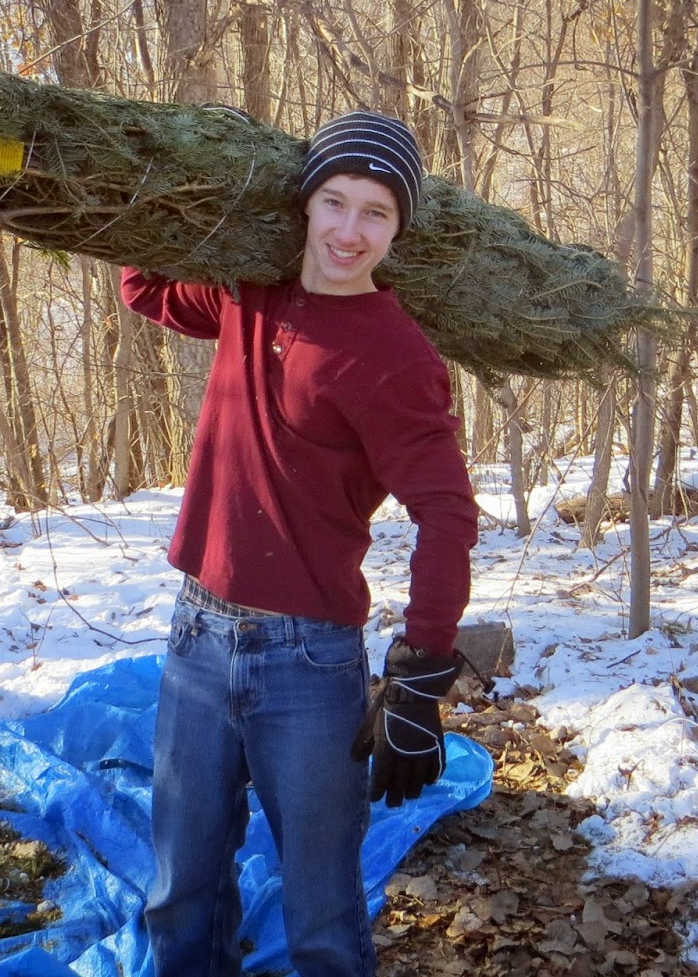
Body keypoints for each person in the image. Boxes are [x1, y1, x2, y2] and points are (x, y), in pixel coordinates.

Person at [121, 110, 481, 977]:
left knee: (320, 915)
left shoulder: (394, 358)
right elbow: (146, 289)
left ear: (398, 231)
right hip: (197, 640)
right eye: (334, 202)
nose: (349, 232)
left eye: (375, 214)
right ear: (304, 205)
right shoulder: (249, 294)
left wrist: (420, 678)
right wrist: (145, 195)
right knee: (179, 897)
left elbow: (448, 513)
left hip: (308, 667)